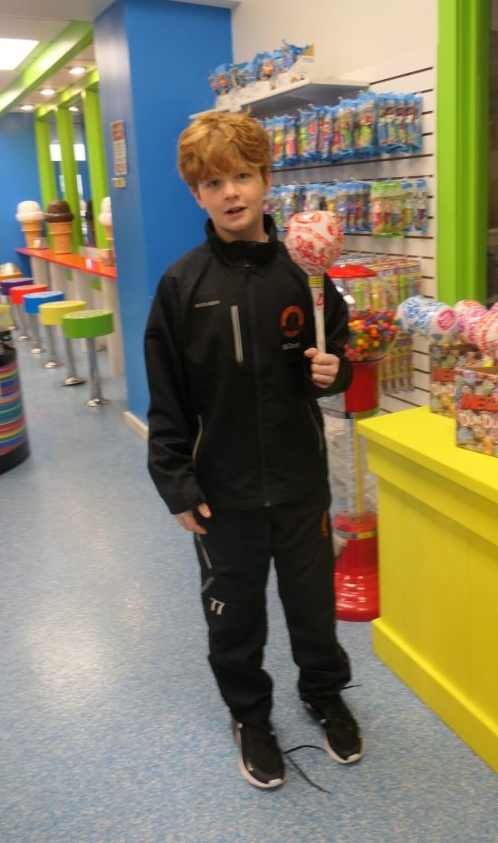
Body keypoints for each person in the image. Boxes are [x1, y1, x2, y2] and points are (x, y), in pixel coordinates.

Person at [144, 111, 362, 790]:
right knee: (233, 617)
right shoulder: (182, 287)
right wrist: (177, 483)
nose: (231, 192)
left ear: (267, 179)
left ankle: (323, 693)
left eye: (242, 175)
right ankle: (250, 714)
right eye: (213, 182)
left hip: (299, 483)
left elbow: (333, 357)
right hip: (223, 491)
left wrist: (338, 372)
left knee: (312, 606)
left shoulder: (306, 277)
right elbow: (168, 397)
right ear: (196, 195)